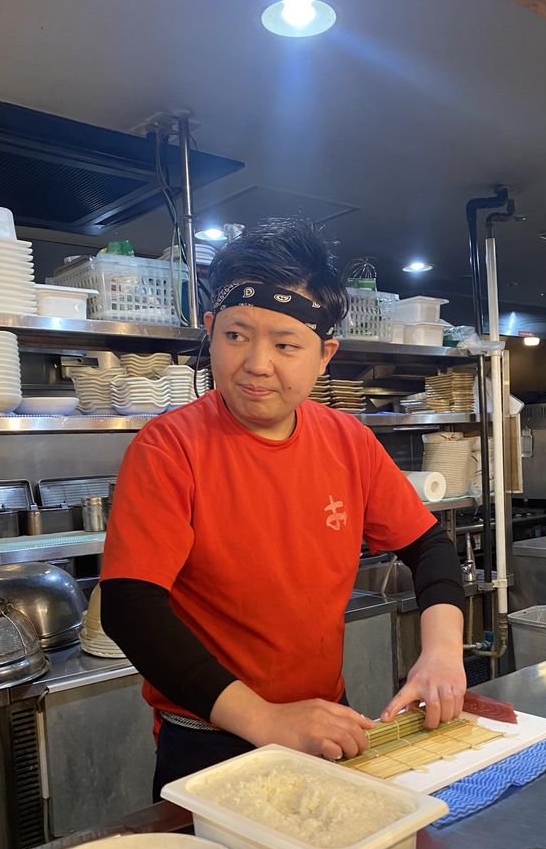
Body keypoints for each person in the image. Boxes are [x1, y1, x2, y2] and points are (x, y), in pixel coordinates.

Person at [100, 218, 466, 794]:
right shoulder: (169, 447)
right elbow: (130, 607)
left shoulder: (348, 441)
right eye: (236, 335)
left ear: (325, 355)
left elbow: (429, 547)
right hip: (211, 736)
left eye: (286, 344)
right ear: (209, 331)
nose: (256, 363)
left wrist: (442, 652)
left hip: (321, 721)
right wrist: (265, 720)